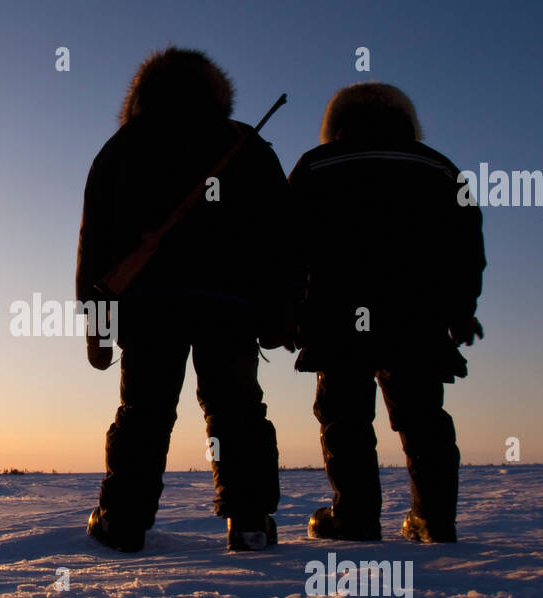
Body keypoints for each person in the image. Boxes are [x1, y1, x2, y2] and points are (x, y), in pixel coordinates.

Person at [76, 47, 298, 553]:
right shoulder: (248, 145)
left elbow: (96, 246)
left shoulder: (122, 147)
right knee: (237, 410)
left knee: (144, 411)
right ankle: (250, 523)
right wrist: (284, 308)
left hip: (150, 306)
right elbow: (284, 239)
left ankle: (123, 522)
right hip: (232, 306)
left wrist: (98, 325)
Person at [287, 82, 485, 543]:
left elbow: (287, 245)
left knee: (344, 416)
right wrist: (460, 308)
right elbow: (466, 246)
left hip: (337, 314)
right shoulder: (439, 167)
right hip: (417, 316)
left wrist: (291, 307)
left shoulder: (316, 165)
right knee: (423, 417)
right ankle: (434, 518)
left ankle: (355, 517)